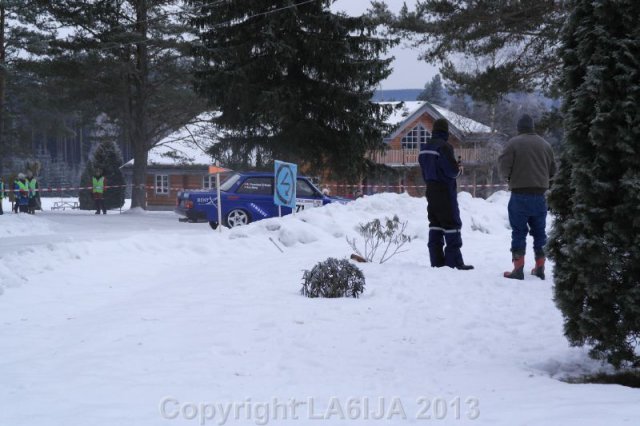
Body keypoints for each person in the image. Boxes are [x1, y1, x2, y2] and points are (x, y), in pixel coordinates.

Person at [498, 114, 556, 280]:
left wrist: (508, 177)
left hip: (520, 195)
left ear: (519, 128)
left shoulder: (513, 143)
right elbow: (553, 170)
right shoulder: (545, 145)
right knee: (539, 233)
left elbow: (503, 166)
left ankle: (518, 269)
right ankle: (540, 268)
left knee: (519, 232)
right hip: (540, 196)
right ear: (532, 127)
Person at [419, 118, 473, 270]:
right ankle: (454, 262)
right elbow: (451, 171)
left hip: (430, 189)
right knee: (452, 224)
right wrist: (458, 169)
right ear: (446, 132)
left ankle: (436, 261)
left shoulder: (424, 148)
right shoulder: (444, 147)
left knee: (435, 224)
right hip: (445, 190)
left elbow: (425, 169)